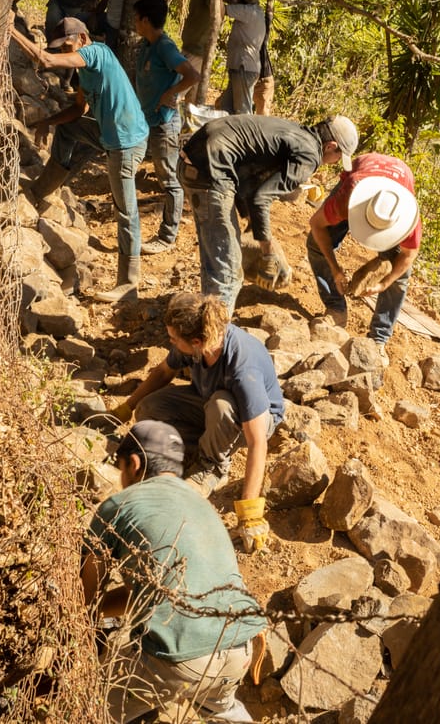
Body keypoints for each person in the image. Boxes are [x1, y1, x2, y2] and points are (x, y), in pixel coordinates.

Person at [81, 420, 265, 722]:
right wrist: (106, 611)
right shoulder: (202, 505)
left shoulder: (117, 505)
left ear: (135, 463)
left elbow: (82, 598)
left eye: (121, 468)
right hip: (240, 645)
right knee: (222, 709)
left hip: (179, 656)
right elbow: (154, 589)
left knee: (90, 709)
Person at [10, 18, 148, 301]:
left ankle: (128, 283)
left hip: (126, 142)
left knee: (125, 210)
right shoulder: (86, 71)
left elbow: (44, 59)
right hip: (108, 133)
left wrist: (8, 28)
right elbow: (78, 109)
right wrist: (47, 122)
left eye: (68, 45)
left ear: (83, 38)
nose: (65, 52)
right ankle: (41, 190)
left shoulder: (97, 53)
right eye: (61, 47)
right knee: (69, 128)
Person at [113, 293, 283, 509]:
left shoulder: (242, 367)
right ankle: (192, 452)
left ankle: (212, 467)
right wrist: (127, 408)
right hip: (208, 401)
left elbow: (257, 442)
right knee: (150, 407)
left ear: (196, 342)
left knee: (221, 405)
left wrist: (250, 512)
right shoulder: (197, 344)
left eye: (174, 339)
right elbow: (164, 372)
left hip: (253, 419)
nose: (171, 343)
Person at [178, 113, 359, 314]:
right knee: (228, 273)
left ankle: (205, 319)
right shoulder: (310, 155)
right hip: (210, 174)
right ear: (330, 146)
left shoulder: (292, 132)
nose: (334, 163)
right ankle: (213, 338)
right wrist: (268, 252)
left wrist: (251, 224)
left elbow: (248, 180)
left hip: (193, 162)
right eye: (338, 157)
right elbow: (261, 198)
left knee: (216, 260)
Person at [307, 152, 422, 365]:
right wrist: (334, 268)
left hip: (400, 175)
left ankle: (379, 337)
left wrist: (384, 283)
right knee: (316, 245)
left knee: (400, 275)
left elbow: (409, 255)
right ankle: (336, 308)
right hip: (362, 175)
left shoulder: (407, 215)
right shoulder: (348, 197)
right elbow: (316, 224)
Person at [134, 0, 200, 254]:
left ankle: (167, 235)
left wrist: (171, 95)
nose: (134, 23)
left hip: (164, 123)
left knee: (170, 179)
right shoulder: (146, 45)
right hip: (146, 120)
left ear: (146, 20)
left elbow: (192, 75)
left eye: (137, 18)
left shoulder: (164, 46)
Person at [216, 0, 266, 116]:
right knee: (226, 107)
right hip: (241, 67)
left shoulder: (247, 12)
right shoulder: (255, 11)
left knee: (242, 112)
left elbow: (222, 10)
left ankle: (246, 137)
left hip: (243, 66)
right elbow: (234, 3)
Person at [180, 0, 212, 102]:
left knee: (173, 95)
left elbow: (219, 13)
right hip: (189, 50)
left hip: (197, 54)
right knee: (191, 105)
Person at [253, 0, 275, 116]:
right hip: (249, 78)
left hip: (263, 81)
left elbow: (268, 20)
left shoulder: (260, 39)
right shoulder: (245, 35)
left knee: (262, 115)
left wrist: (270, 4)